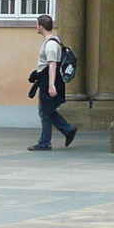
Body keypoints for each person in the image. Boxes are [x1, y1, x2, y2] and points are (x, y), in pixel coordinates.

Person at [29, 15, 77, 151]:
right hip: (46, 79)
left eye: (37, 25)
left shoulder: (50, 44)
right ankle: (67, 130)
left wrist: (51, 86)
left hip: (49, 81)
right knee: (46, 111)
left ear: (41, 27)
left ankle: (46, 142)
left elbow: (52, 66)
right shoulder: (53, 41)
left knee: (45, 111)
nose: (36, 27)